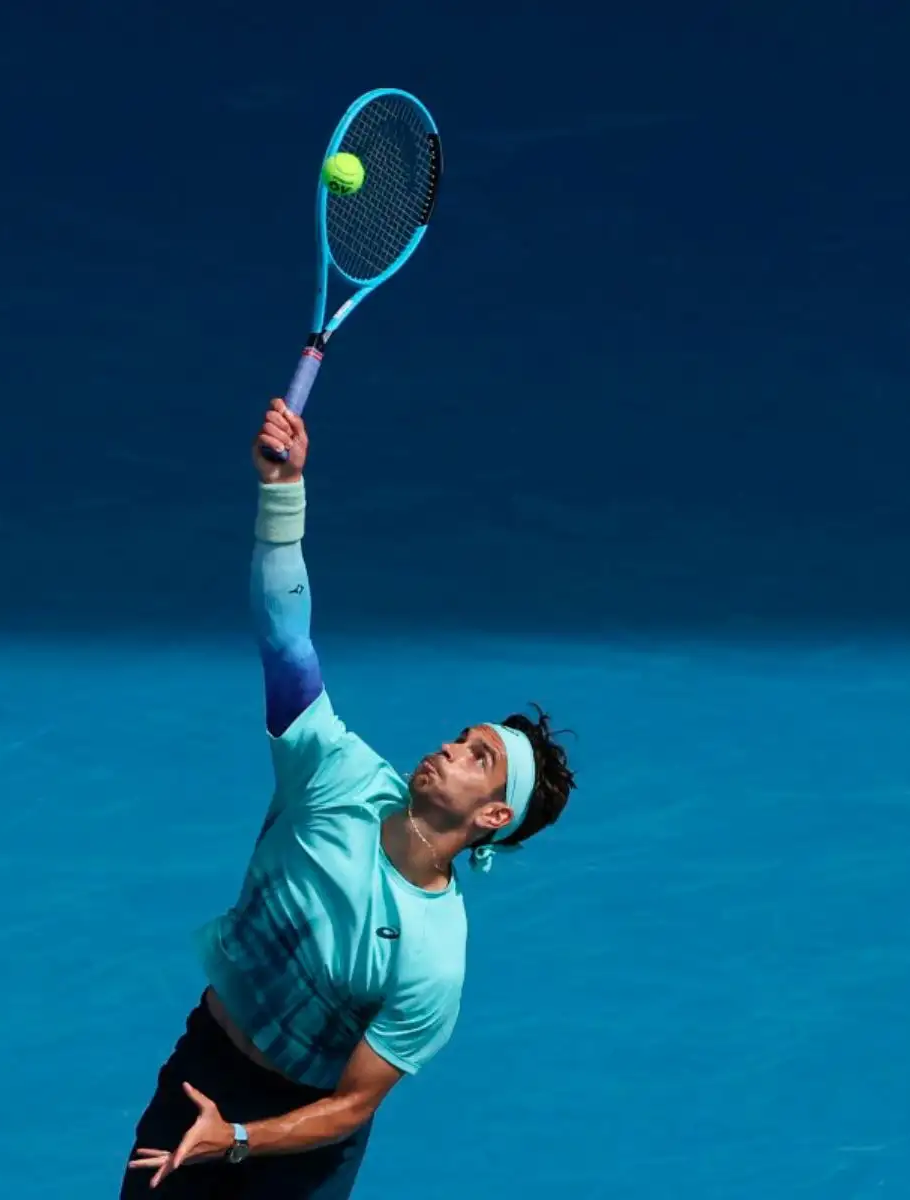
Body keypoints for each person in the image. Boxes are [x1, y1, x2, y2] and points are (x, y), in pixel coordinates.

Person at [121, 399, 577, 1197]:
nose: (448, 748)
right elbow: (286, 637)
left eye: (477, 759)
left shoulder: (433, 957)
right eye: (460, 735)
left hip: (299, 1149)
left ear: (493, 818)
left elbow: (351, 1105)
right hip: (203, 1069)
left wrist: (233, 1140)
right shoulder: (335, 774)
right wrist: (283, 493)